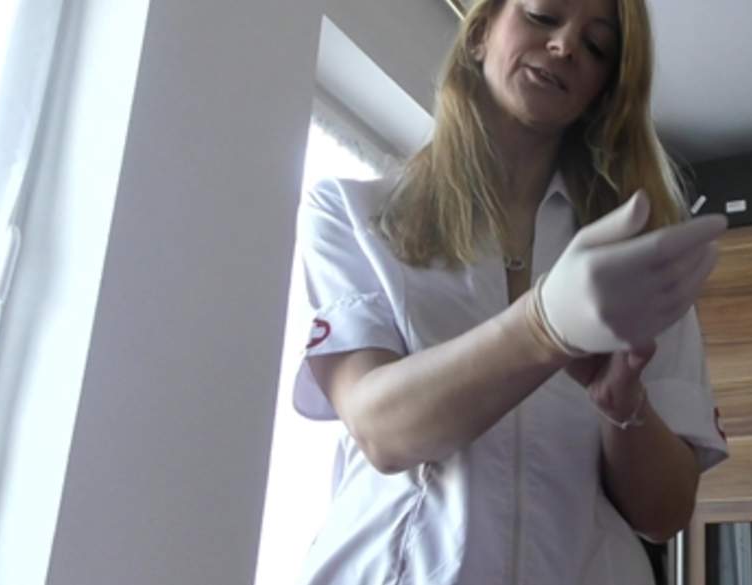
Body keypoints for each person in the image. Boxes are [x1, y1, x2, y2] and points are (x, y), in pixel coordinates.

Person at [291, 0, 729, 583]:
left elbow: (665, 514)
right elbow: (381, 431)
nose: (565, 46)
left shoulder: (635, 263)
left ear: (604, 89)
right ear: (478, 33)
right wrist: (542, 327)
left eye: (596, 46)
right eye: (543, 16)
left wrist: (627, 410)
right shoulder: (353, 214)